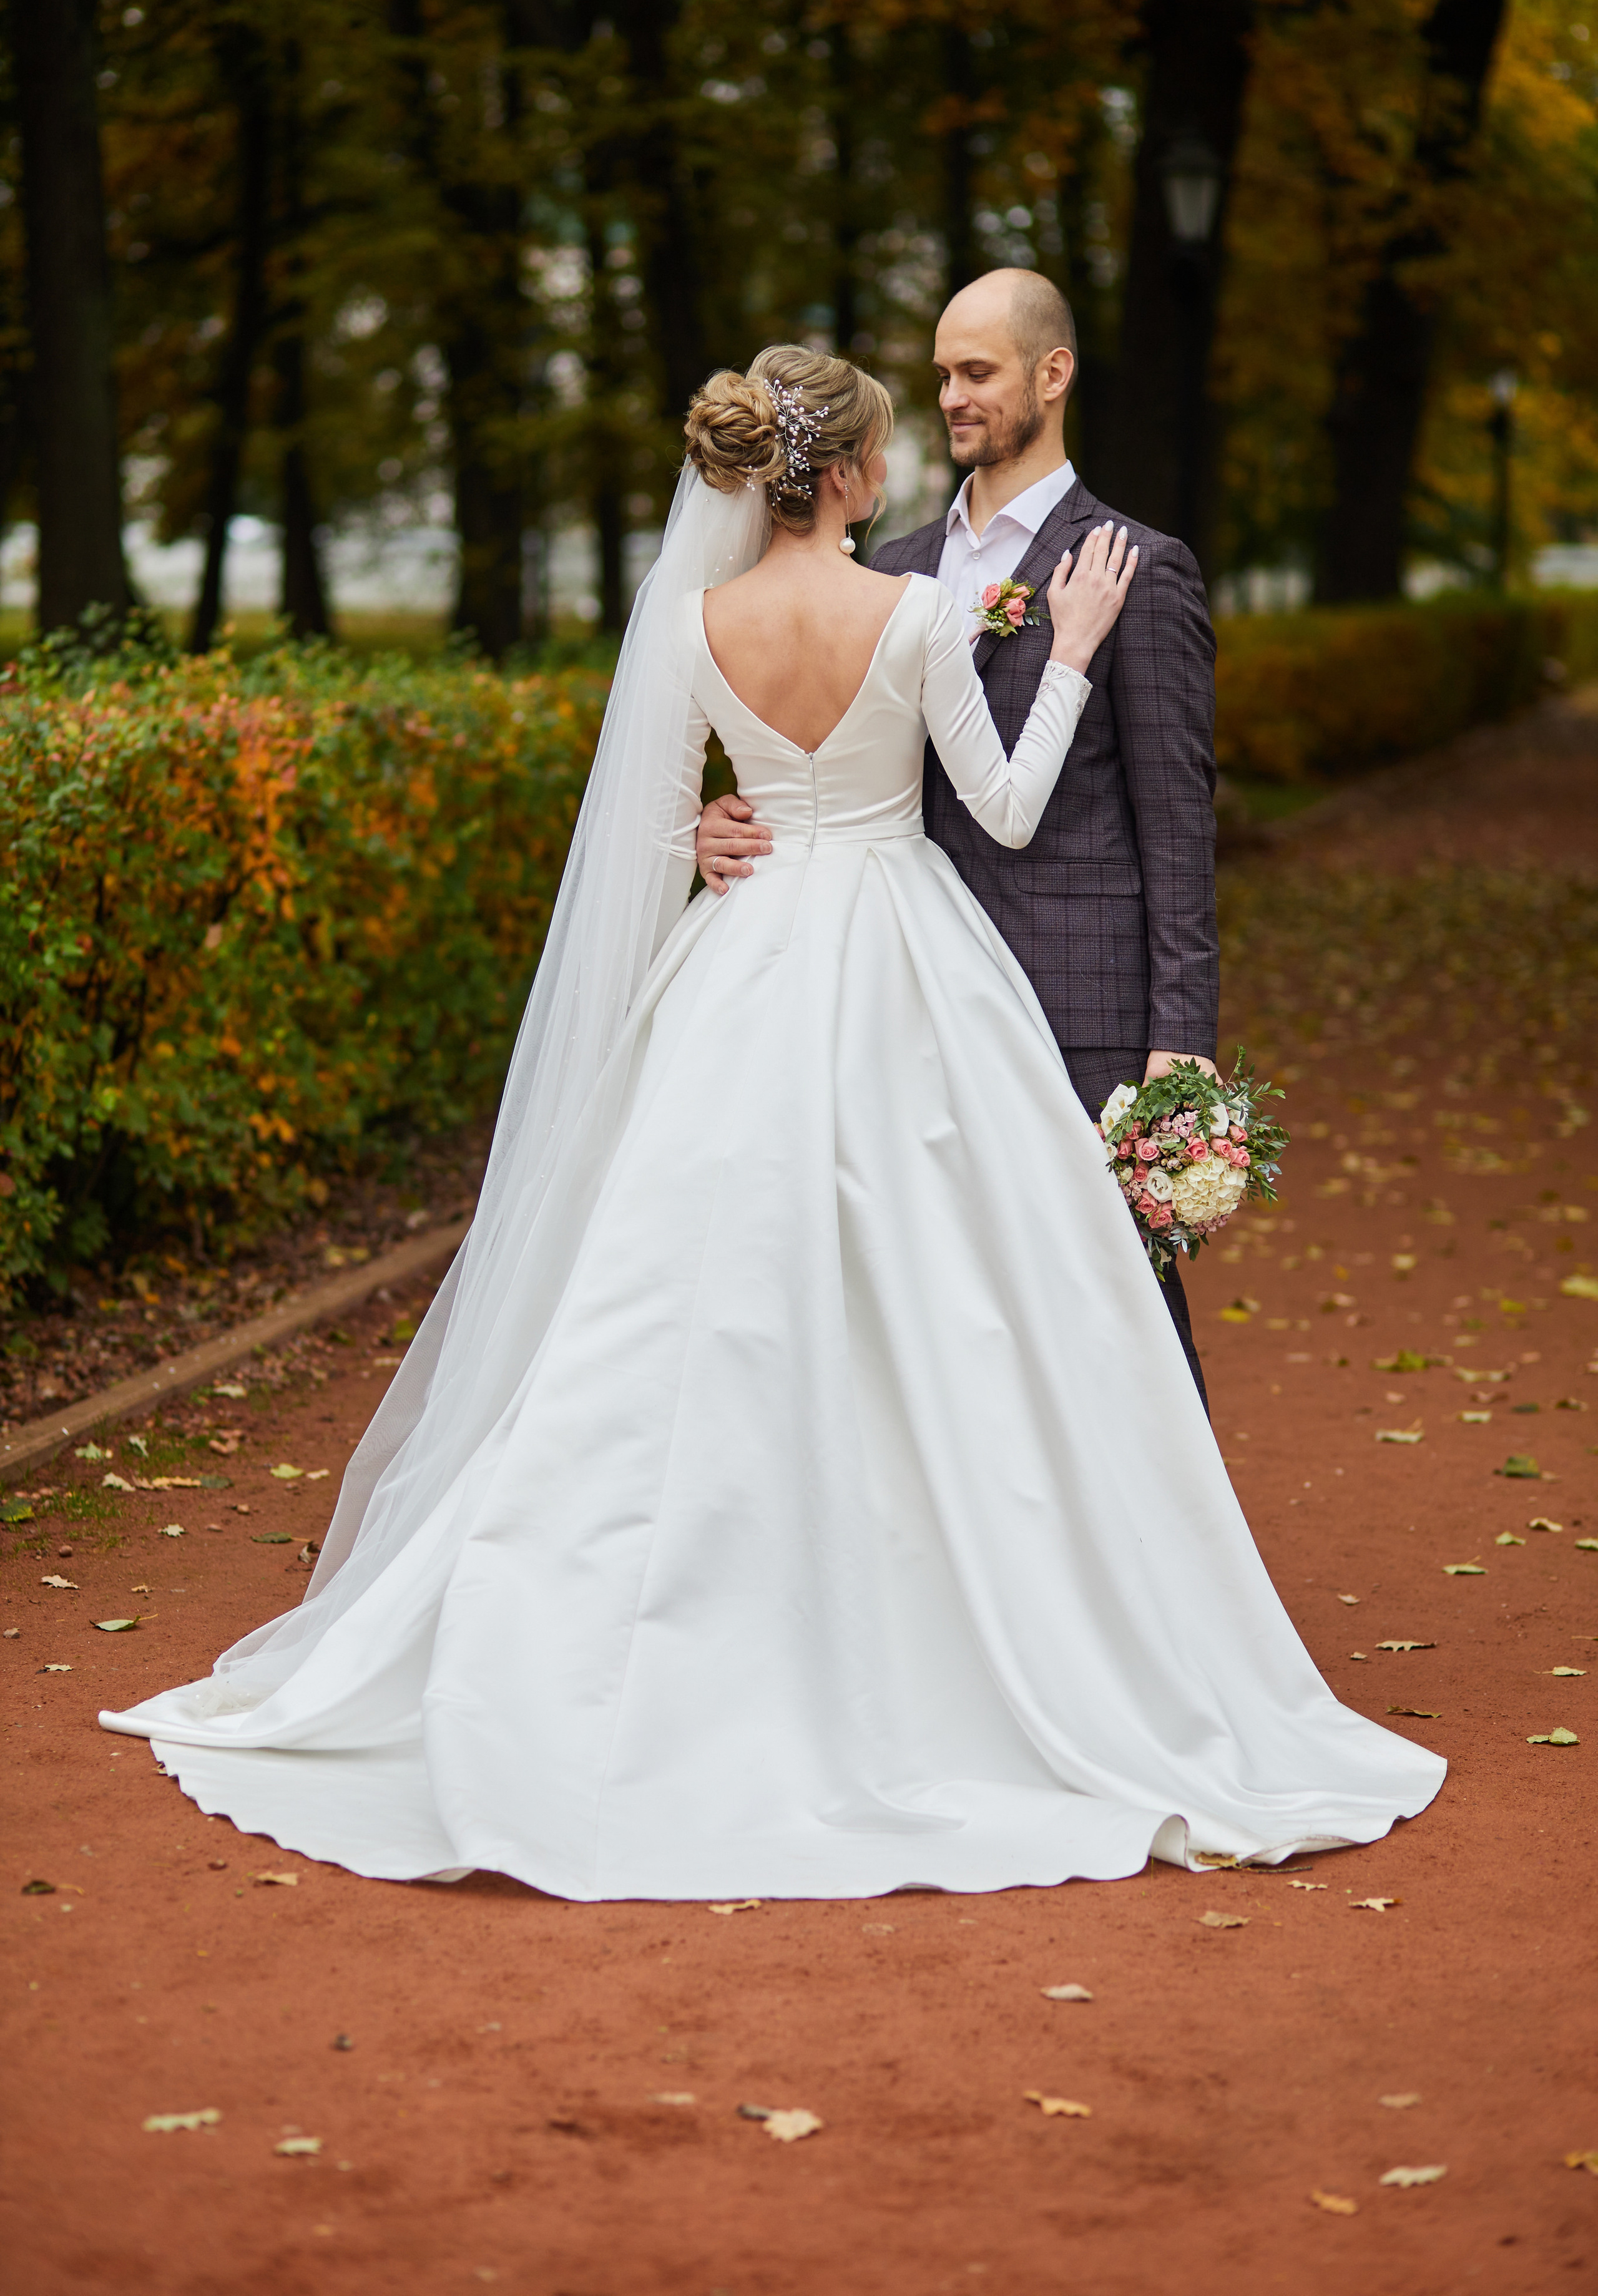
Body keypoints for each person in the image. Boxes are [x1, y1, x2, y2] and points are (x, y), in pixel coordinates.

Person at [100, 347, 1443, 1900]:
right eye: (883, 450)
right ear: (853, 477)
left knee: (681, 1295)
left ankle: (653, 1631)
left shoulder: (689, 624)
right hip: (902, 958)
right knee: (955, 1299)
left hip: (737, 968)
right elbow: (1001, 808)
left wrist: (723, 823)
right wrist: (1068, 650)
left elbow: (647, 817)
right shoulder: (914, 608)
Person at [699, 269, 1218, 1405]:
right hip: (900, 1009)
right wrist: (726, 817)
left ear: (1052, 373)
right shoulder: (890, 570)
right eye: (939, 375)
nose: (951, 396)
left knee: (1119, 1326)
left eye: (975, 371)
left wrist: (1180, 1043)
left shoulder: (1139, 567)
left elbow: (1179, 834)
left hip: (1081, 1007)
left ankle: (1159, 1575)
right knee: (933, 1339)